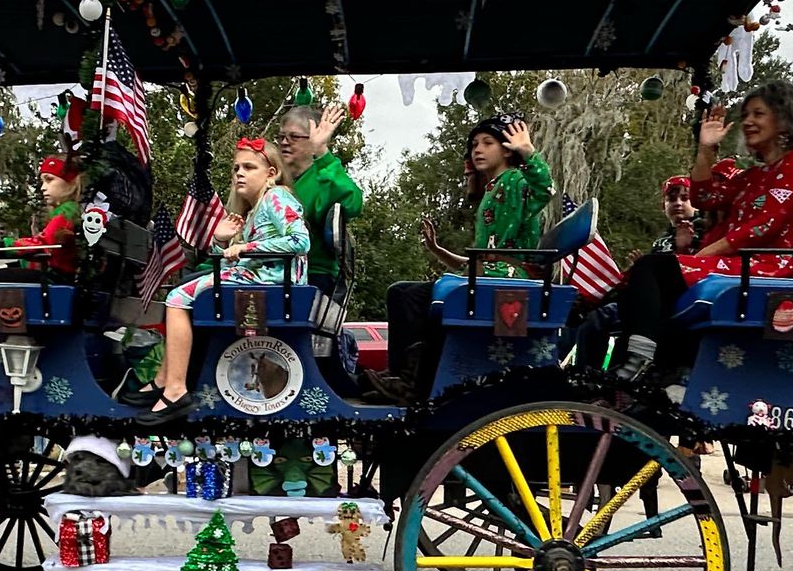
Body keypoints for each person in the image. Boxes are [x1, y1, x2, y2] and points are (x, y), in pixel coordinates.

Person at [604, 81, 793, 384]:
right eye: (746, 114)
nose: (747, 121)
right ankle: (647, 372)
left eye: (758, 114)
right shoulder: (755, 175)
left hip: (773, 266)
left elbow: (762, 228)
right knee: (639, 281)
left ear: (785, 118)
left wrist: (702, 255)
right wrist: (706, 148)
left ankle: (640, 359)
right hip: (747, 263)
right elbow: (704, 197)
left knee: (653, 267)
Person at [375, 117, 552, 400]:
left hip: (508, 280)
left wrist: (528, 152)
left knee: (417, 295)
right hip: (488, 275)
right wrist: (438, 251)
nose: (477, 150)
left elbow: (543, 189)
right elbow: (479, 261)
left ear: (507, 150)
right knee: (402, 292)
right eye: (473, 145)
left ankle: (413, 382)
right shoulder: (493, 190)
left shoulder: (516, 181)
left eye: (487, 143)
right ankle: (403, 375)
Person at [150, 139, 308, 413]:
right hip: (259, 278)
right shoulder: (254, 209)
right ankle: (165, 379)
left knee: (177, 298)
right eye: (236, 168)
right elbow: (227, 256)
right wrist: (221, 240)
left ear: (272, 173)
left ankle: (174, 388)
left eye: (249, 167)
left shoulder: (276, 197)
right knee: (184, 290)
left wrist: (244, 248)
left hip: (273, 283)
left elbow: (299, 241)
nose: (239, 173)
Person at [276, 102, 363, 292]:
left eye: (294, 137)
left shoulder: (321, 175)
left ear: (313, 139)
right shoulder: (271, 179)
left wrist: (321, 151)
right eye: (281, 137)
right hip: (268, 272)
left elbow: (353, 203)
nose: (284, 142)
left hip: (312, 275)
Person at [0, 154, 84, 277]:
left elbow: (42, 245)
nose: (43, 188)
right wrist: (13, 265)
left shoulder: (68, 212)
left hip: (53, 280)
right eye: (42, 182)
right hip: (50, 276)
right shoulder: (66, 211)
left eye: (49, 180)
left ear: (69, 182)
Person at [652, 175, 699, 253]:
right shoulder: (660, 242)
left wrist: (684, 249)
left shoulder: (706, 230)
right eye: (672, 199)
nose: (678, 203)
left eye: (684, 198)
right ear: (663, 206)